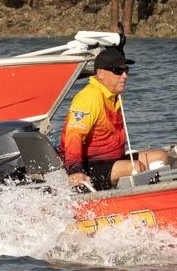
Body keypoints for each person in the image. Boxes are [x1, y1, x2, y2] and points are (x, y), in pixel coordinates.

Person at [61, 44, 168, 190]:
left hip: (112, 160)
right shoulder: (89, 98)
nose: (125, 76)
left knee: (161, 156)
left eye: (126, 70)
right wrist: (75, 169)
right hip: (90, 165)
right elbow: (73, 136)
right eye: (118, 71)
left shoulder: (113, 94)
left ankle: (159, 192)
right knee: (135, 167)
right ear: (100, 73)